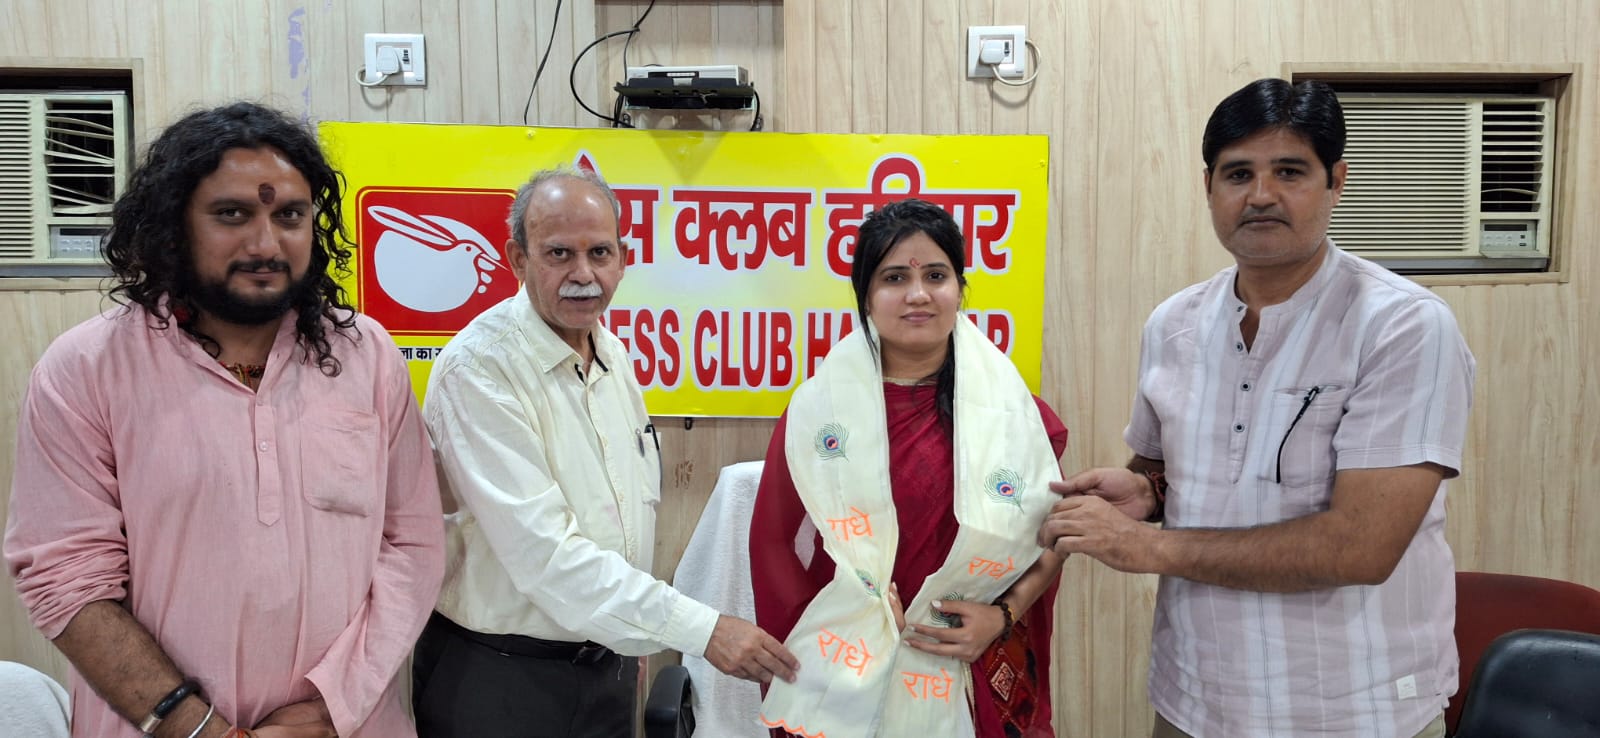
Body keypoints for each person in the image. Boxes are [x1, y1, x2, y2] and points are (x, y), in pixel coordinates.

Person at [1037, 78, 1476, 738]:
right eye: (1238, 173)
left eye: (1289, 172)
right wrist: (1146, 492)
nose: (1261, 195)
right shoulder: (1174, 324)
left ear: (1336, 182)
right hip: (1195, 699)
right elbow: (1165, 468)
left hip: (1355, 708)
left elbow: (1362, 547)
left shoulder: (1402, 325)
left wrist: (1148, 546)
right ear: (1209, 187)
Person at [3, 102, 446, 738]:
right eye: (232, 214)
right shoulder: (86, 369)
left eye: (289, 215)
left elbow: (412, 545)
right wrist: (198, 727)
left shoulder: (366, 355)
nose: (265, 244)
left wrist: (334, 707)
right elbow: (66, 578)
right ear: (174, 226)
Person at [413, 167, 799, 738]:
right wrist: (703, 629)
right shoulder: (480, 370)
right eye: (559, 254)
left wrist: (632, 640)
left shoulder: (612, 353)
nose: (583, 274)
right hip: (502, 680)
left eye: (599, 252)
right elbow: (546, 557)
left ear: (623, 258)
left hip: (607, 669)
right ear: (518, 259)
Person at [751, 198, 1069, 738]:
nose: (918, 294)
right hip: (848, 664)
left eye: (936, 276)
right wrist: (848, 624)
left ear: (960, 289)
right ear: (866, 297)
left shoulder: (1017, 418)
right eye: (895, 277)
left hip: (970, 658)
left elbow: (1054, 536)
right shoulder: (817, 414)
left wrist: (1002, 617)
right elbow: (773, 543)